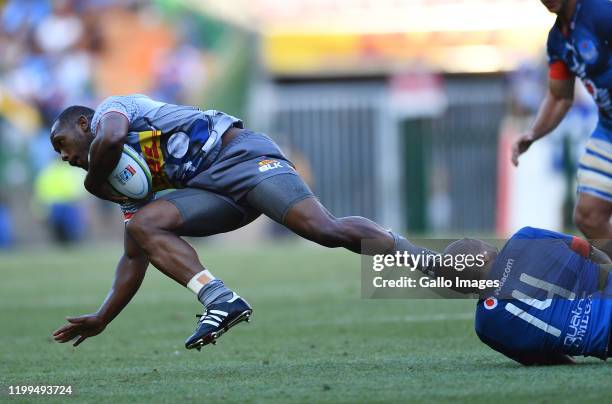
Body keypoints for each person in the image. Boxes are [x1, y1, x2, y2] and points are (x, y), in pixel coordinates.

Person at [50, 94, 424, 350]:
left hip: (242, 157)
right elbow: (134, 256)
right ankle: (220, 299)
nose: (64, 156)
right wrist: (103, 317)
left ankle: (426, 259)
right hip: (212, 193)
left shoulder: (112, 112)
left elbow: (112, 138)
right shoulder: (119, 178)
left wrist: (93, 182)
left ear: (85, 123)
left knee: (324, 230)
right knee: (142, 226)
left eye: (62, 143)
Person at [511, 0, 612, 256]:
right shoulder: (557, 40)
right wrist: (533, 133)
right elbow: (560, 97)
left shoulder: (601, 11)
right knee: (589, 215)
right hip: (608, 127)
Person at [438, 227, 612, 365]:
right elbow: (584, 248)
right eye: (478, 243)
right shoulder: (525, 236)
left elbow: (546, 358)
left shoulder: (485, 325)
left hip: (604, 340)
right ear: (482, 257)